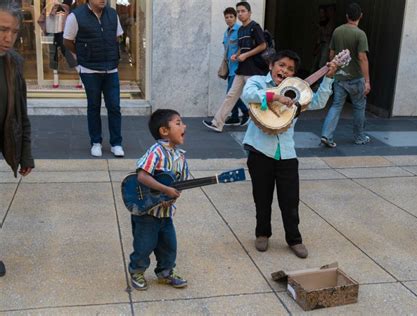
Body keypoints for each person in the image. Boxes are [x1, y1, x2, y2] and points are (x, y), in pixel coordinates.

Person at [241, 50, 336, 258]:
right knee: (262, 197)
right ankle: (262, 233)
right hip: (259, 151)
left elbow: (318, 102)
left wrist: (328, 78)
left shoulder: (297, 92)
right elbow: (247, 95)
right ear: (271, 66)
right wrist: (275, 96)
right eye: (281, 65)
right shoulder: (257, 82)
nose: (285, 70)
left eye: (290, 69)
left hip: (286, 153)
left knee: (290, 199)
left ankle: (294, 239)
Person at [128, 109, 189, 290]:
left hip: (165, 212)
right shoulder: (156, 152)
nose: (184, 126)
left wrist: (173, 197)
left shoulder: (181, 157)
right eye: (178, 123)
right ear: (164, 131)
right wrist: (164, 189)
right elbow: (142, 176)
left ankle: (165, 272)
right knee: (144, 245)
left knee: (169, 245)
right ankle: (137, 271)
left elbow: (178, 185)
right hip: (147, 210)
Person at [63, 0, 125, 157]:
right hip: (89, 69)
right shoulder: (75, 16)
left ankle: (116, 143)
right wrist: (83, 55)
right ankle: (96, 142)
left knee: (114, 107)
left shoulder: (112, 13)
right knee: (94, 106)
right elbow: (67, 41)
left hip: (111, 68)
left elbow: (117, 37)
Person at [0, 0, 35, 277]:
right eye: (1, 29)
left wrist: (25, 153)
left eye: (12, 31)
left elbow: (20, 113)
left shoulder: (13, 63)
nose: (7, 37)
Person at [203, 1, 267, 132]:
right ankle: (217, 123)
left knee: (256, 97)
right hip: (241, 68)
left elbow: (262, 45)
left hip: (252, 70)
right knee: (231, 96)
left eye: (243, 11)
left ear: (249, 13)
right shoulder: (241, 30)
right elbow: (242, 48)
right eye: (238, 11)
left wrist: (246, 55)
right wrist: (236, 55)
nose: (240, 14)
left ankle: (265, 122)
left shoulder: (255, 27)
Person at [320, 2, 370, 148]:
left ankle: (326, 135)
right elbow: (362, 58)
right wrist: (367, 81)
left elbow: (331, 53)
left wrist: (333, 70)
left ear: (347, 16)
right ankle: (359, 137)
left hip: (339, 77)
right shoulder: (360, 34)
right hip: (356, 78)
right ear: (361, 16)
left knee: (336, 106)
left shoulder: (337, 31)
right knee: (359, 107)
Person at [37, 0, 80, 88]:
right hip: (53, 30)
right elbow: (44, 14)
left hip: (63, 31)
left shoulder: (68, 2)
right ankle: (55, 80)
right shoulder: (50, 2)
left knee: (68, 53)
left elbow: (73, 14)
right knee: (53, 54)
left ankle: (81, 79)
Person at [221, 7, 250, 127]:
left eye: (231, 17)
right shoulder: (226, 32)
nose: (228, 19)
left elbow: (242, 47)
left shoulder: (239, 30)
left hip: (237, 67)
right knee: (230, 93)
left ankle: (246, 112)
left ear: (235, 17)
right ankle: (234, 117)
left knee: (230, 94)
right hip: (229, 67)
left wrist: (237, 56)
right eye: (226, 17)